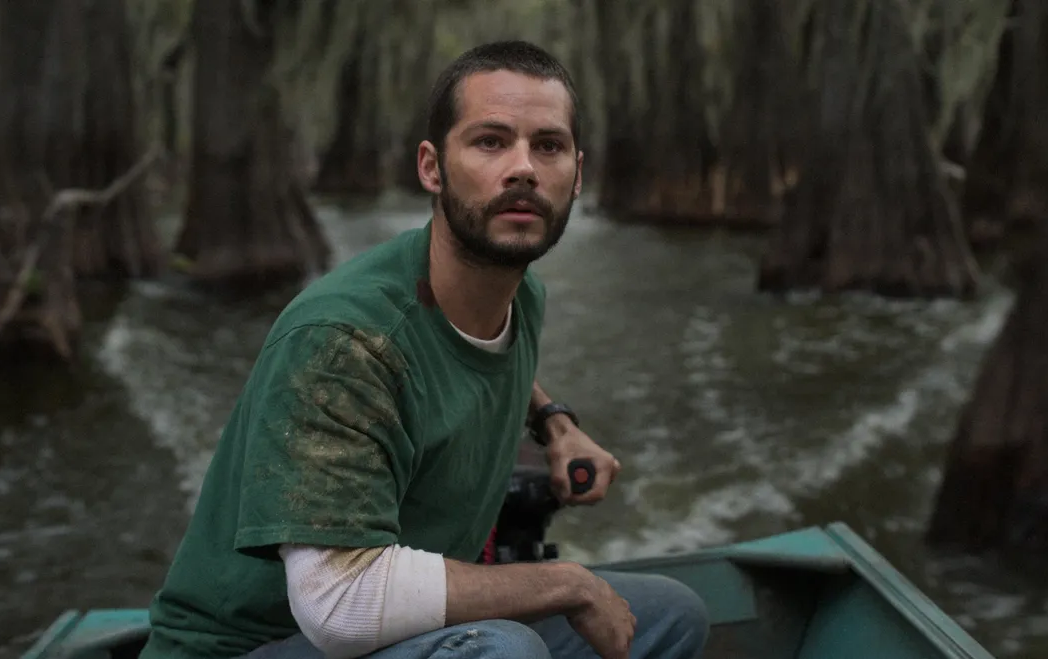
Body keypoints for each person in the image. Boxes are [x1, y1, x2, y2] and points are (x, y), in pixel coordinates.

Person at [138, 40, 710, 659]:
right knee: (501, 651)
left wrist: (554, 422)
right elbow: (339, 605)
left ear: (577, 175)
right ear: (431, 168)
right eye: (490, 142)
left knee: (671, 615)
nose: (522, 168)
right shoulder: (343, 341)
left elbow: (470, 355)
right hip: (257, 644)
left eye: (547, 145)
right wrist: (565, 583)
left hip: (396, 632)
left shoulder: (521, 298)